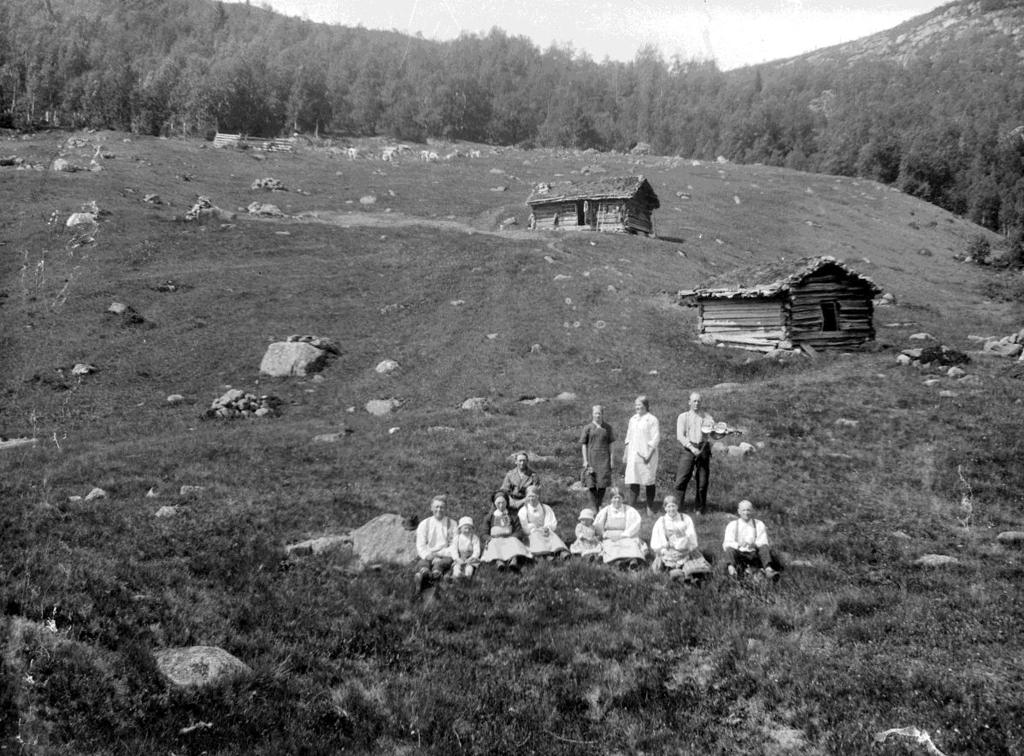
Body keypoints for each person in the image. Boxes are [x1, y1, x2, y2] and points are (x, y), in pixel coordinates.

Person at [650, 495, 711, 582]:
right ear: (665, 508)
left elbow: (691, 536)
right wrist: (664, 551)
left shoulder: (685, 518)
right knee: (667, 564)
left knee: (692, 563)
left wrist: (687, 549)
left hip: (685, 550)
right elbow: (656, 540)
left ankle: (690, 575)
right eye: (669, 506)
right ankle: (678, 574)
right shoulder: (661, 521)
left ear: (677, 506)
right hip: (668, 551)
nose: (671, 509)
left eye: (673, 506)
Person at [675, 392, 715, 514]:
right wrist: (692, 448)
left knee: (702, 481)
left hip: (703, 449)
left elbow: (713, 433)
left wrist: (720, 431)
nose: (696, 403)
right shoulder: (683, 417)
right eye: (694, 401)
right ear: (689, 402)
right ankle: (677, 508)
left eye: (699, 401)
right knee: (681, 480)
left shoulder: (707, 417)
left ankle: (699, 509)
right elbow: (680, 436)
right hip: (688, 449)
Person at [722, 499, 778, 580]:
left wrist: (754, 544)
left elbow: (763, 541)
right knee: (729, 549)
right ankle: (732, 572)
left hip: (754, 553)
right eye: (743, 510)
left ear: (752, 511)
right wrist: (738, 545)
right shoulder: (732, 525)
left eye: (748, 510)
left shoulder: (759, 524)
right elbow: (726, 543)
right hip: (739, 554)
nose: (746, 513)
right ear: (739, 511)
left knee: (764, 547)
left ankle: (768, 570)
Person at [623, 395, 660, 514]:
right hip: (633, 454)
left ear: (646, 406)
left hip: (647, 454)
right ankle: (632, 507)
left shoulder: (652, 419)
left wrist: (648, 456)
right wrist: (625, 453)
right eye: (636, 405)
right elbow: (628, 437)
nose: (637, 407)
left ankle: (649, 506)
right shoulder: (633, 419)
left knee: (649, 480)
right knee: (634, 479)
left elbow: (655, 439)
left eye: (640, 404)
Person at [593, 488, 647, 569]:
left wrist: (625, 534)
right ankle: (617, 562)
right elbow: (598, 523)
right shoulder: (606, 510)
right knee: (611, 547)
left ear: (623, 499)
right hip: (610, 536)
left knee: (631, 545)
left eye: (619, 497)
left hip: (625, 534)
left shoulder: (628, 509)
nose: (617, 500)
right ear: (611, 499)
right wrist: (604, 534)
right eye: (615, 497)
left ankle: (632, 560)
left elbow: (636, 523)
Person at [481, 491, 534, 572]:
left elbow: (519, 531)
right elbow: (484, 533)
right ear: (494, 504)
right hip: (495, 539)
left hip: (510, 538)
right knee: (494, 545)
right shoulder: (489, 517)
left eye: (503, 503)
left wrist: (512, 537)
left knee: (514, 543)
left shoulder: (513, 516)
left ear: (507, 503)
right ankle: (499, 562)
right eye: (498, 503)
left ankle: (513, 561)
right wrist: (490, 538)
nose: (501, 505)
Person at [414, 495, 458, 593]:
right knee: (423, 564)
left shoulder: (453, 524)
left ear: (446, 508)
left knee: (442, 564)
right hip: (429, 554)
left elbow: (454, 545)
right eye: (436, 507)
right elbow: (420, 544)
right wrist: (429, 556)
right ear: (431, 508)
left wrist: (439, 554)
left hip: (445, 555)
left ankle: (433, 576)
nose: (439, 509)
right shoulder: (424, 524)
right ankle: (424, 576)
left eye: (442, 507)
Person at [518, 485, 570, 560]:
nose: (531, 499)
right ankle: (545, 554)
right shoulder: (523, 510)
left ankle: (561, 551)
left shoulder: (545, 508)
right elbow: (524, 525)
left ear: (538, 496)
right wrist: (533, 529)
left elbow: (551, 520)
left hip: (544, 530)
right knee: (536, 538)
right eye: (529, 496)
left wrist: (546, 528)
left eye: (533, 496)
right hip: (532, 532)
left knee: (552, 536)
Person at [579, 405, 615, 509]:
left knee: (602, 483)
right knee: (591, 483)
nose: (597, 415)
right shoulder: (588, 428)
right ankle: (595, 507)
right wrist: (585, 460)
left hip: (604, 460)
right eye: (595, 413)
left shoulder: (608, 428)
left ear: (602, 414)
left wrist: (611, 460)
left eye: (599, 413)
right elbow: (584, 445)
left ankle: (598, 504)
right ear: (592, 414)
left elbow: (611, 445)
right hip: (591, 459)